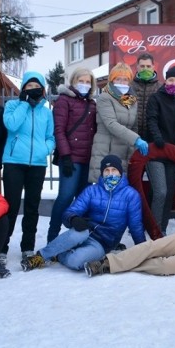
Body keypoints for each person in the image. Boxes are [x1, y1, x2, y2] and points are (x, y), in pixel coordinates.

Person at [21, 155, 146, 272]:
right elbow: (70, 211)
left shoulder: (131, 195)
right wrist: (73, 219)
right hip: (84, 231)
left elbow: (136, 226)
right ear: (102, 173)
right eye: (106, 170)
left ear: (120, 172)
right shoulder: (92, 190)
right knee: (76, 235)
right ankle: (40, 256)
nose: (110, 174)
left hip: (102, 243)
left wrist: (145, 250)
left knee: (76, 261)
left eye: (114, 170)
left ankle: (58, 254)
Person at [1, 71, 55, 261]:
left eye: (36, 86)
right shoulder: (12, 105)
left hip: (37, 164)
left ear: (42, 89)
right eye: (28, 86)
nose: (32, 90)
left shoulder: (46, 112)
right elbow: (11, 125)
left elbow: (50, 137)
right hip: (14, 162)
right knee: (11, 206)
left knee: (32, 207)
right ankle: (1, 247)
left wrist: (45, 149)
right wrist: (23, 104)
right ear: (23, 88)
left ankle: (27, 247)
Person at [48, 68, 97, 242]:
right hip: (71, 159)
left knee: (83, 200)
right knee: (66, 196)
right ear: (73, 81)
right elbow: (59, 130)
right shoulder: (64, 100)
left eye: (87, 81)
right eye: (81, 81)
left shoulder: (92, 103)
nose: (84, 84)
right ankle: (52, 236)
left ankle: (80, 237)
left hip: (87, 159)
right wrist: (66, 155)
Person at [145, 65, 175, 234]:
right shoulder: (155, 99)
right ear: (166, 80)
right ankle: (154, 229)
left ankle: (162, 229)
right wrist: (157, 137)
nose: (174, 83)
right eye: (171, 79)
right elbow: (152, 120)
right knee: (161, 192)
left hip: (172, 154)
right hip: (156, 152)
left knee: (170, 193)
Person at [89, 62, 147, 182]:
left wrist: (133, 148)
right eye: (118, 79)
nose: (122, 82)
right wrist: (136, 139)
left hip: (124, 152)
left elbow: (133, 127)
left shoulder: (132, 101)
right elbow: (111, 124)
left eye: (125, 79)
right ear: (112, 80)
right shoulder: (105, 98)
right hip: (107, 150)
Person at [131, 52, 162, 138]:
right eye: (142, 66)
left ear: (153, 67)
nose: (145, 69)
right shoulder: (129, 86)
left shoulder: (161, 87)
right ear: (137, 67)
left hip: (153, 135)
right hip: (132, 134)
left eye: (148, 66)